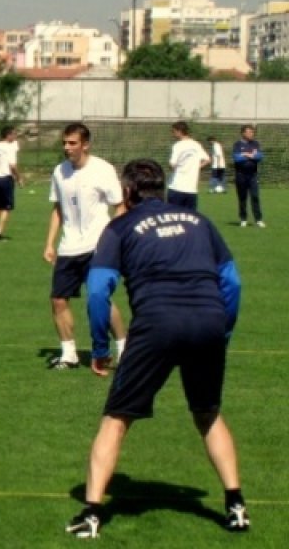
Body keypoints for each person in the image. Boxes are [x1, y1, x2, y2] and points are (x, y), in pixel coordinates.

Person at [65, 158, 248, 538]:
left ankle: (93, 512)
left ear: (128, 191)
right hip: (208, 320)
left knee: (116, 419)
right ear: (162, 189)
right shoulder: (200, 222)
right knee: (208, 412)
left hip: (157, 323)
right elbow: (232, 282)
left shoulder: (119, 228)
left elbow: (98, 290)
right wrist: (222, 330)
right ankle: (236, 506)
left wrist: (100, 347)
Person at [44, 123, 126, 370]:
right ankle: (68, 354)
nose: (67, 147)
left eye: (72, 143)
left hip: (97, 245)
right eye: (64, 143)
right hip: (69, 247)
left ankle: (123, 347)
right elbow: (58, 209)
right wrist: (50, 243)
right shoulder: (60, 172)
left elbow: (120, 206)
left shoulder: (103, 170)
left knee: (99, 298)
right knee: (58, 300)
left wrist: (112, 239)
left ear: (85, 144)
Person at [167, 121, 210, 210]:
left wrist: (176, 168)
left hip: (177, 186)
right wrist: (196, 167)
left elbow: (172, 164)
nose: (173, 134)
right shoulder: (196, 144)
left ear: (179, 131)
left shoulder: (178, 145)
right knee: (189, 218)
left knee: (174, 217)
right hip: (191, 188)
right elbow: (207, 160)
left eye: (173, 131)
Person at [232, 125, 265, 228]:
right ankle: (243, 219)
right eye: (249, 132)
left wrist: (246, 154)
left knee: (255, 197)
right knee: (242, 198)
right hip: (241, 175)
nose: (251, 134)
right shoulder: (237, 145)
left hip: (253, 175)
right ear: (243, 133)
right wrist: (250, 155)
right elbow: (237, 158)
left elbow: (260, 156)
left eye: (252, 132)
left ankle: (258, 219)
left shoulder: (255, 144)